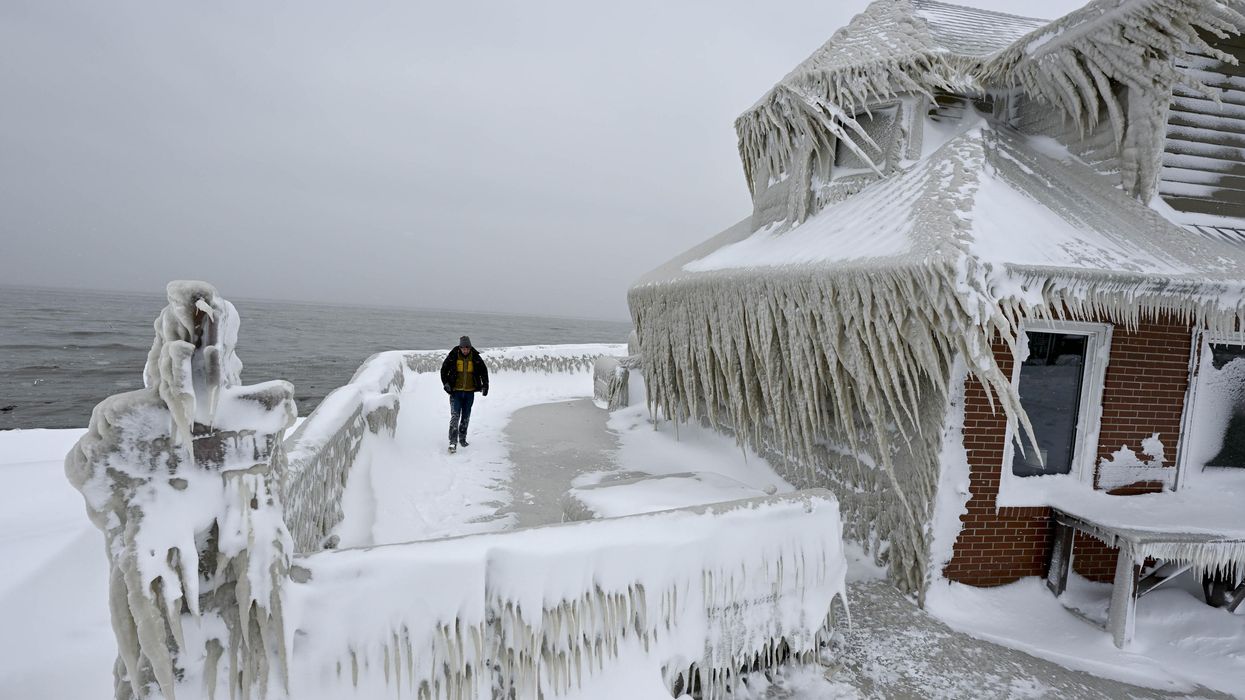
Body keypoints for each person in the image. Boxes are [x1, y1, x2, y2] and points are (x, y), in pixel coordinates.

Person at [440, 335, 488, 453]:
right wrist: (446, 383)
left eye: (467, 348)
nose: (465, 350)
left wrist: (486, 386)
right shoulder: (453, 356)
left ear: (470, 348)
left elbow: (484, 372)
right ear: (460, 347)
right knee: (455, 417)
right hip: (455, 393)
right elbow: (443, 370)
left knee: (465, 417)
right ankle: (452, 442)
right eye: (463, 348)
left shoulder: (475, 357)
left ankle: (462, 439)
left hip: (469, 393)